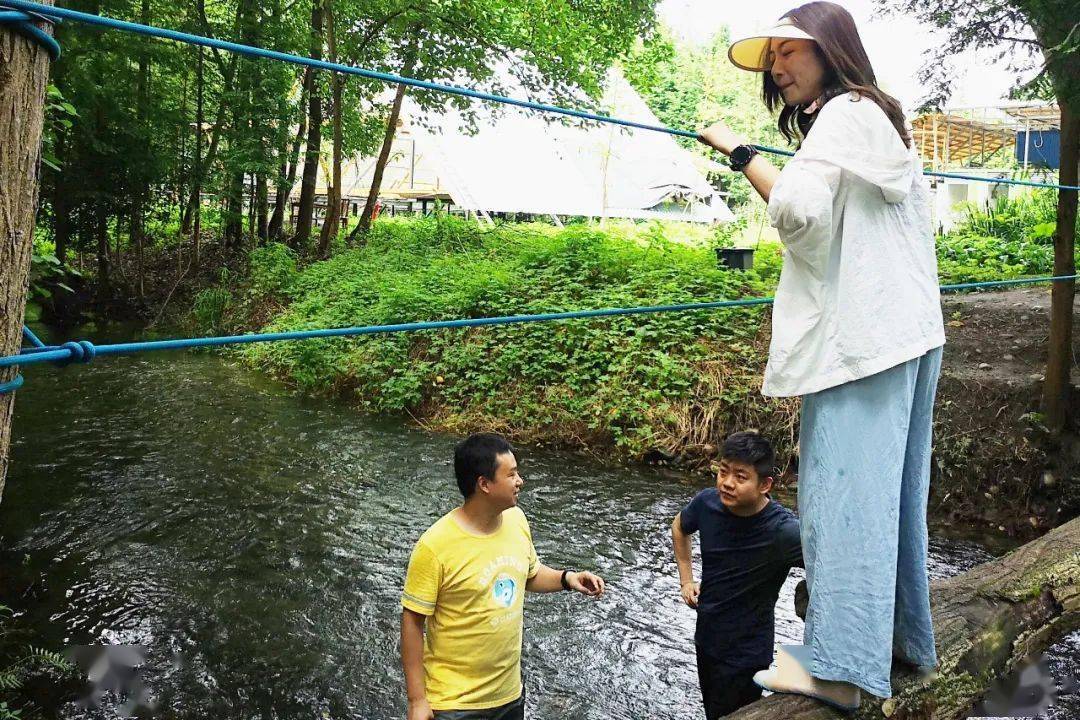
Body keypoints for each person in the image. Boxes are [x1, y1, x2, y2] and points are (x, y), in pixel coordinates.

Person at [696, 1, 946, 710]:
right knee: (891, 499)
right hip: (908, 332)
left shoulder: (841, 115)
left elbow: (801, 213)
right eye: (773, 58)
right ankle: (900, 641)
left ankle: (839, 670)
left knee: (841, 503)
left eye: (789, 52)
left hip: (862, 340)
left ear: (829, 50)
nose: (778, 66)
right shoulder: (879, 118)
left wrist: (739, 151)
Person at [400, 433, 606, 720]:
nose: (520, 481)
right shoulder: (435, 546)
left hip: (509, 695)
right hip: (455, 704)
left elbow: (528, 574)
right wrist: (417, 700)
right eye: (511, 474)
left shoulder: (516, 520)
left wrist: (567, 578)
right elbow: (412, 621)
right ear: (484, 484)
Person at [672, 431, 802, 719]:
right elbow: (679, 526)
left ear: (765, 484)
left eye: (740, 477)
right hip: (707, 637)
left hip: (747, 652)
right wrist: (686, 579)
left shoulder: (783, 532)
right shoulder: (707, 504)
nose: (727, 483)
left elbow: (832, 565)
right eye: (723, 472)